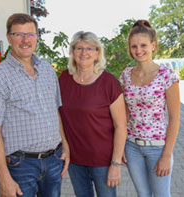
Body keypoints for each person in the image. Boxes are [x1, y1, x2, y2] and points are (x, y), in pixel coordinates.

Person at [0, 13, 70, 197]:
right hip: (20, 165)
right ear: (8, 37)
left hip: (54, 160)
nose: (25, 40)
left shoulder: (47, 70)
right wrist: (4, 177)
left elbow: (55, 112)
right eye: (18, 34)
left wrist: (65, 146)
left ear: (37, 37)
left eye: (30, 34)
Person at [58, 31, 127, 197]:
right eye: (79, 48)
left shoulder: (109, 82)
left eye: (90, 48)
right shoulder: (63, 79)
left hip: (103, 161)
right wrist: (65, 145)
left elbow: (121, 125)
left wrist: (115, 164)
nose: (84, 53)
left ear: (97, 53)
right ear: (73, 52)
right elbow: (58, 115)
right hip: (75, 159)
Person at [120, 20, 180, 197]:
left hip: (158, 148)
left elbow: (175, 118)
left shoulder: (166, 75)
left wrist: (167, 155)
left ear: (153, 46)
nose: (139, 50)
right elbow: (124, 114)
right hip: (132, 147)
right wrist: (121, 146)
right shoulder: (126, 75)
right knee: (143, 195)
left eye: (143, 45)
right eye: (134, 46)